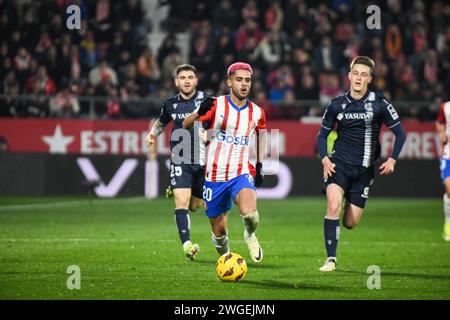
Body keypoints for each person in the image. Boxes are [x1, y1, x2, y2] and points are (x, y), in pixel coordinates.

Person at [316, 56, 406, 272]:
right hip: (339, 165)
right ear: (349, 76)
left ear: (370, 79)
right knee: (333, 206)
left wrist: (392, 159)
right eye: (355, 73)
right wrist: (325, 158)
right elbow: (322, 135)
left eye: (363, 74)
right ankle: (330, 260)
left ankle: (349, 199)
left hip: (365, 171)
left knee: (350, 223)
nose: (358, 77)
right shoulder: (337, 104)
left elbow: (400, 134)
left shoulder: (380, 103)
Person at [183, 62, 266, 263]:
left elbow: (261, 134)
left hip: (240, 172)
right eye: (239, 80)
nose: (244, 84)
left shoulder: (257, 111)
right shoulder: (216, 105)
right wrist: (198, 113)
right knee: (219, 232)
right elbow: (185, 125)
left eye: (247, 80)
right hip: (214, 177)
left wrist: (260, 163)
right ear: (229, 82)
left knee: (250, 215)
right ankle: (227, 259)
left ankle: (250, 234)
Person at [145, 64, 208, 260]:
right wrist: (152, 134)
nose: (187, 80)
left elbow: (221, 124)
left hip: (203, 160)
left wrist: (210, 132)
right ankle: (187, 245)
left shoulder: (208, 101)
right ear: (176, 82)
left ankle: (188, 198)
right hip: (180, 160)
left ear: (196, 81)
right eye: (183, 77)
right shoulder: (170, 104)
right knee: (181, 201)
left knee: (195, 205)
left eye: (190, 77)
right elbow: (161, 121)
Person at [435, 101, 450, 241]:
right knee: (449, 189)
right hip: (448, 154)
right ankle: (448, 222)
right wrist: (441, 132)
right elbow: (440, 122)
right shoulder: (446, 107)